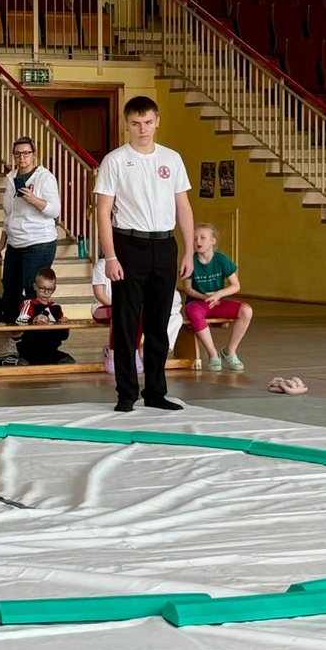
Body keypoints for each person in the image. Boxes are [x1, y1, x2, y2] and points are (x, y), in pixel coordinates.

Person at [95, 95, 194, 413]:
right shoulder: (114, 160)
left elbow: (183, 207)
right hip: (128, 244)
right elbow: (103, 211)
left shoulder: (172, 158)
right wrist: (110, 256)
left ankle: (156, 391)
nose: (143, 129)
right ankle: (126, 392)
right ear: (126, 124)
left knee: (159, 322)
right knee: (126, 322)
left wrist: (189, 250)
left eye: (148, 122)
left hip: (164, 244)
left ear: (157, 122)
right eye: (136, 123)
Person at [0, 137, 60, 324]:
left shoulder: (44, 177)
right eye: (17, 153)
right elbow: (10, 213)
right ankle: (14, 334)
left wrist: (34, 200)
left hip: (39, 242)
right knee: (10, 289)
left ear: (34, 155)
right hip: (15, 241)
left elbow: (55, 210)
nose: (22, 157)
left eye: (26, 153)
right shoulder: (11, 178)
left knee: (33, 290)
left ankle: (36, 336)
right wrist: (2, 241)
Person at [182, 223, 253, 372]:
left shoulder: (221, 259)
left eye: (202, 238)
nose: (198, 242)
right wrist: (203, 296)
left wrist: (218, 294)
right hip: (198, 303)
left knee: (246, 310)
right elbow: (187, 288)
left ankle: (229, 351)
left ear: (213, 241)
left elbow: (236, 285)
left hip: (218, 302)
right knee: (194, 313)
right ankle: (213, 354)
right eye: (194, 239)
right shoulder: (190, 260)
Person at [13, 268, 71, 365]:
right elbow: (19, 323)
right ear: (35, 286)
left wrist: (64, 325)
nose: (46, 292)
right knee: (23, 364)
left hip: (50, 350)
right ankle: (8, 359)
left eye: (50, 289)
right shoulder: (29, 303)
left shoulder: (56, 307)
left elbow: (64, 336)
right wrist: (34, 320)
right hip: (30, 350)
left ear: (54, 289)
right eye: (42, 288)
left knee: (69, 361)